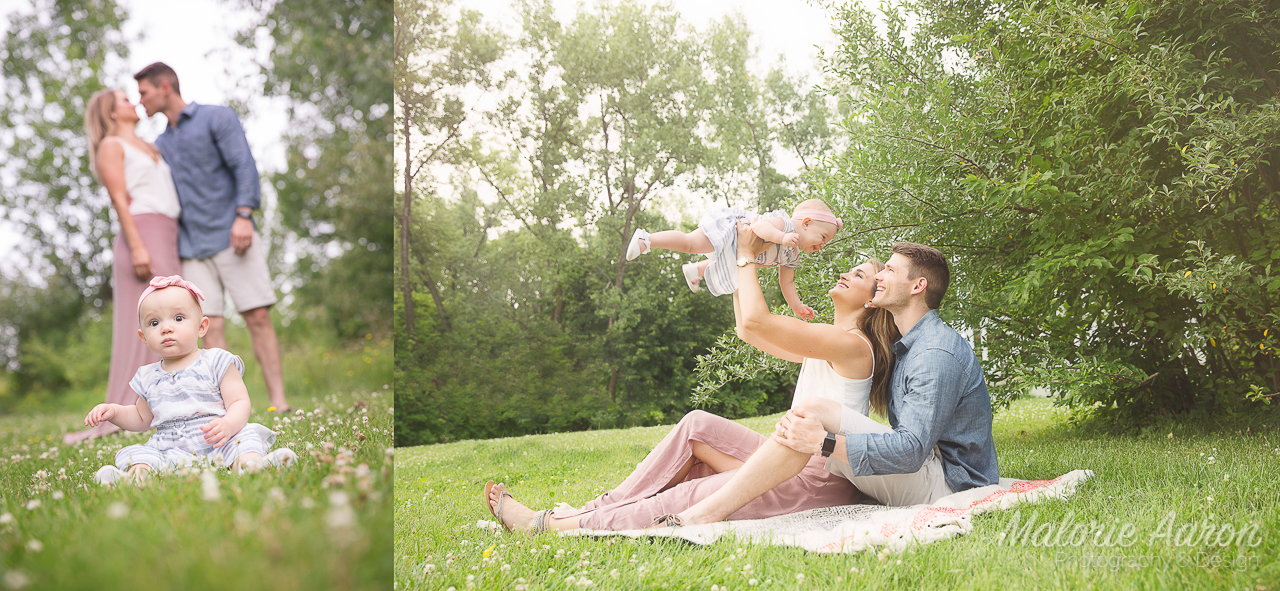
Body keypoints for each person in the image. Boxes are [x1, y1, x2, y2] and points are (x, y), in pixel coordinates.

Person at [483, 225, 898, 532]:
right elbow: (747, 330)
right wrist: (738, 249)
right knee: (696, 426)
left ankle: (551, 526)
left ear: (871, 302)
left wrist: (747, 256)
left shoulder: (853, 346)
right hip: (787, 458)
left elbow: (758, 317)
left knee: (690, 489)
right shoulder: (827, 341)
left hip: (816, 479)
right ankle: (591, 510)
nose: (847, 273)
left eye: (860, 275)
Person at [665, 239, 1000, 526]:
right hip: (925, 467)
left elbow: (911, 451)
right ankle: (701, 505)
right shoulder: (907, 345)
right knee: (805, 415)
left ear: (918, 286)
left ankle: (702, 515)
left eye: (890, 271)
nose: (879, 276)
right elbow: (750, 328)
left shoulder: (934, 353)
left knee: (814, 411)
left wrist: (823, 442)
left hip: (951, 486)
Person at [132, 62, 291, 412]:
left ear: (164, 87)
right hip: (191, 248)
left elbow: (243, 165)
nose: (140, 100)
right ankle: (226, 407)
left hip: (233, 234)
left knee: (258, 317)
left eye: (144, 92)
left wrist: (244, 215)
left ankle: (279, 402)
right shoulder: (159, 144)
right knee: (209, 327)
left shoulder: (217, 118)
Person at [84, 275, 296, 485]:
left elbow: (239, 402)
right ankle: (134, 478)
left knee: (244, 439)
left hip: (219, 440)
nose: (166, 328)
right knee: (144, 456)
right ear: (144, 338)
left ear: (202, 327)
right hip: (170, 448)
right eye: (154, 322)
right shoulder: (148, 376)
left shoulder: (216, 361)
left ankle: (252, 465)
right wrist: (114, 412)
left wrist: (229, 425)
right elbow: (141, 418)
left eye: (178, 318)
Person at [64, 88, 184, 445]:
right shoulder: (111, 146)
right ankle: (130, 411)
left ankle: (172, 401)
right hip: (142, 233)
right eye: (123, 99)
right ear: (111, 112)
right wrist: (137, 247)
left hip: (168, 232)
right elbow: (119, 198)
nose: (132, 101)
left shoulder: (151, 147)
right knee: (154, 320)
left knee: (175, 313)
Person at [625, 198, 843, 320]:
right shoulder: (785, 225)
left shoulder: (793, 254)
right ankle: (647, 239)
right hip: (733, 231)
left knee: (729, 267)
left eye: (825, 243)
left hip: (738, 251)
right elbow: (759, 227)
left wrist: (796, 306)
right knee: (690, 243)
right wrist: (782, 237)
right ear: (805, 223)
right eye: (822, 237)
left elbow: (786, 282)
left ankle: (695, 271)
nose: (821, 245)